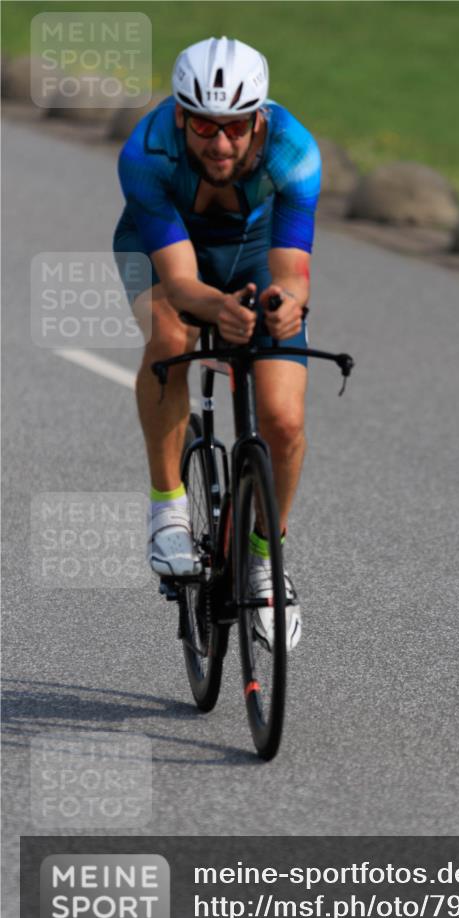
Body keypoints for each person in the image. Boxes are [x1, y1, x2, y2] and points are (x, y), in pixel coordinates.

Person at [113, 36, 321, 651]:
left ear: (258, 118)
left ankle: (265, 560)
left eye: (235, 127)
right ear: (181, 114)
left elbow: (291, 270)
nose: (221, 143)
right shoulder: (146, 155)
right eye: (205, 125)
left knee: (282, 419)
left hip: (253, 255)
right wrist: (219, 309)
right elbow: (179, 283)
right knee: (170, 335)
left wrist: (284, 308)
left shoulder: (295, 153)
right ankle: (168, 509)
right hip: (162, 253)